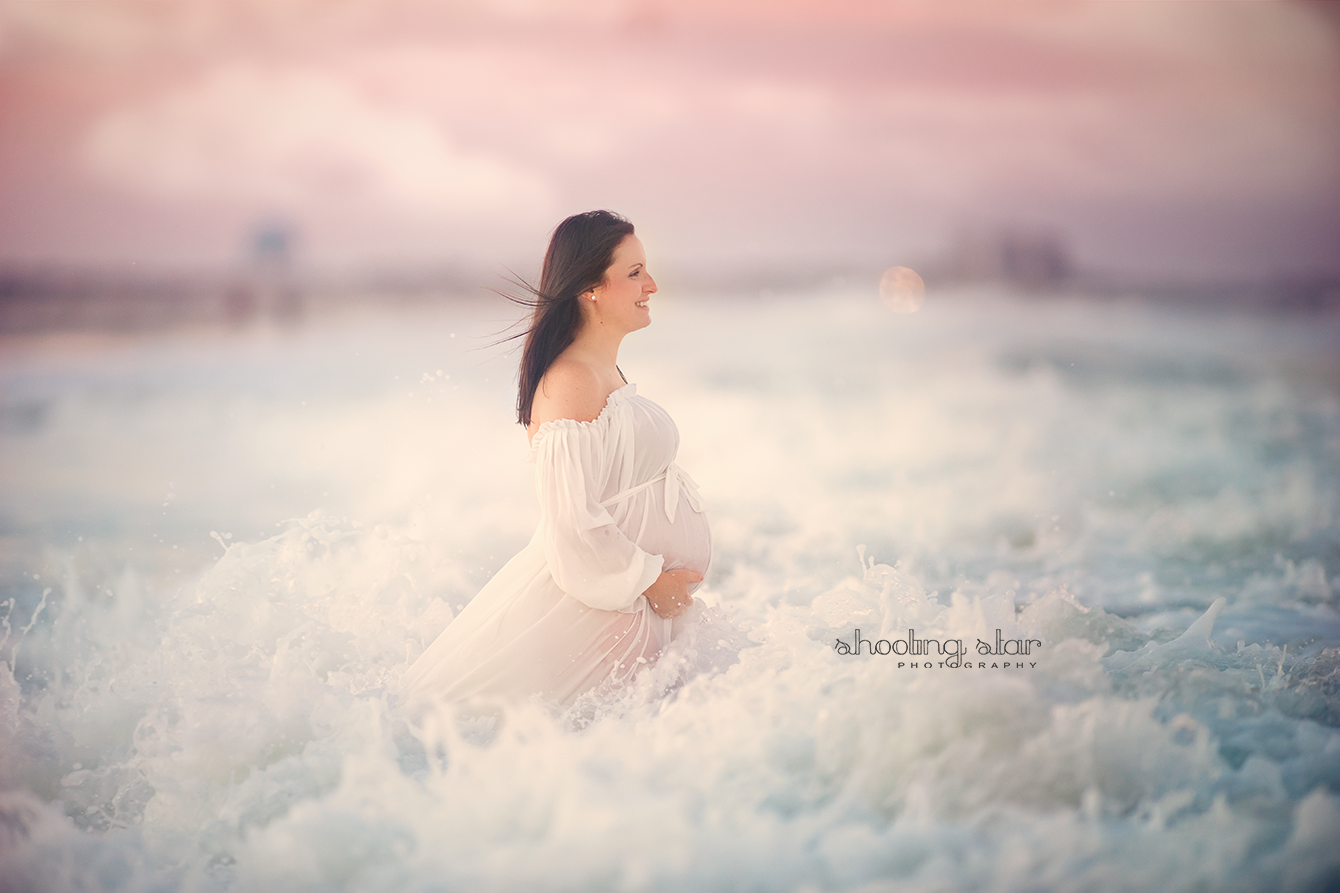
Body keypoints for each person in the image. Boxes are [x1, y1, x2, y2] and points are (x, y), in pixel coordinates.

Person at [398, 210, 711, 713]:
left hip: (626, 609)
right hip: (595, 614)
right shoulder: (572, 381)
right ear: (590, 286)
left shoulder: (601, 372)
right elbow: (571, 523)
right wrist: (656, 585)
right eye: (634, 273)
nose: (651, 284)